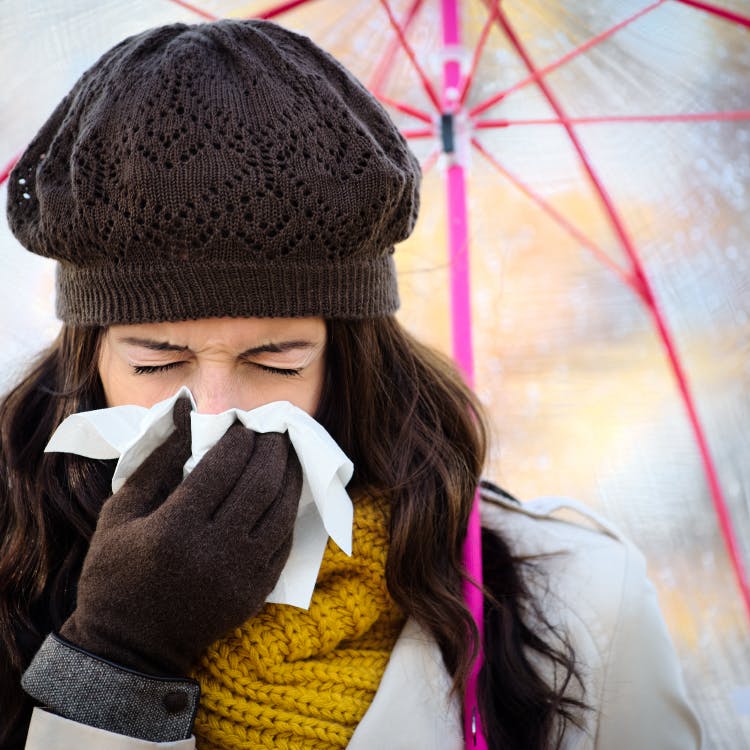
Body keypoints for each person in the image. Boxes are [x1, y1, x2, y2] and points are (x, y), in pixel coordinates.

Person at [0, 18, 701, 750]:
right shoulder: (15, 574)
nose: (215, 412)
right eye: (155, 364)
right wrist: (116, 657)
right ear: (88, 363)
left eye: (275, 362)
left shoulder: (579, 604)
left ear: (351, 363)